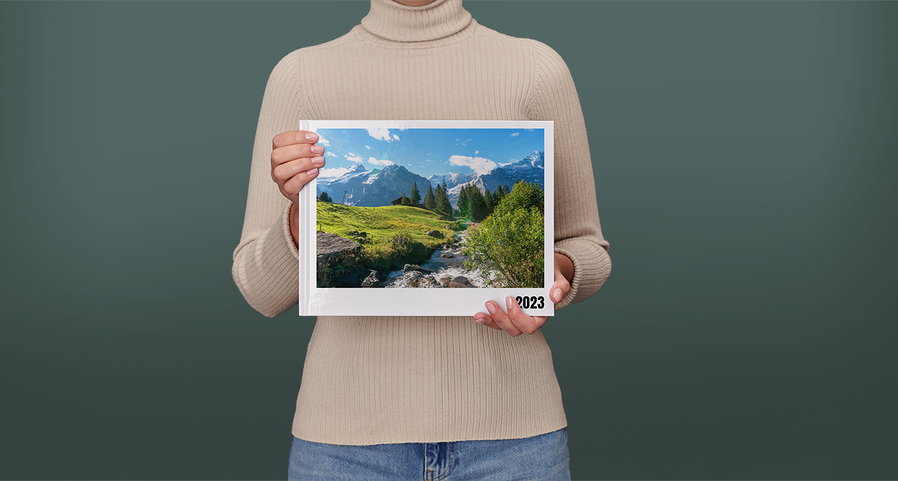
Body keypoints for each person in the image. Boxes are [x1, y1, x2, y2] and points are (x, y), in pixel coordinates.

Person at [231, 0, 612, 478]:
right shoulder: (301, 76)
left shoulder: (537, 71)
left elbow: (588, 248)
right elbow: (260, 292)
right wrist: (298, 213)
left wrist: (554, 272)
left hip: (514, 441)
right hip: (344, 448)